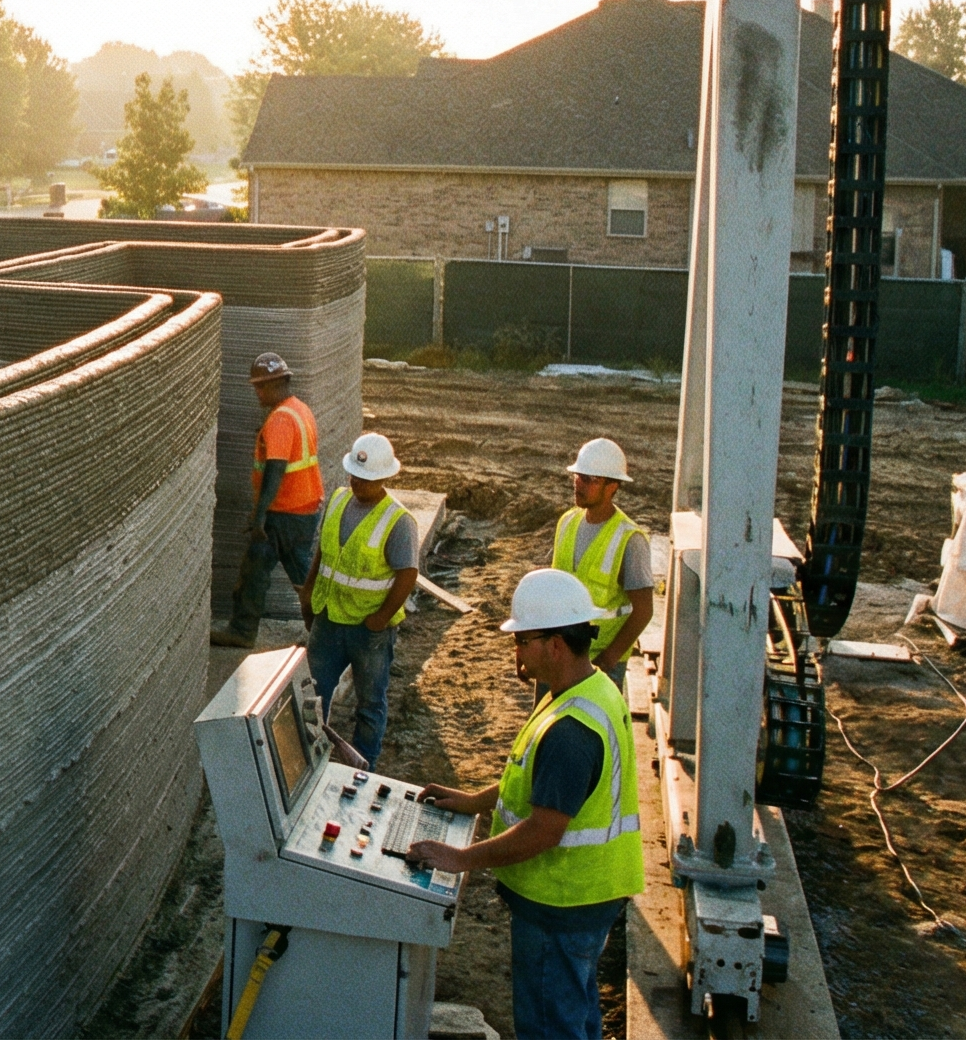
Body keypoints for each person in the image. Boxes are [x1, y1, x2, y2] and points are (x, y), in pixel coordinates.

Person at [407, 569, 644, 1040]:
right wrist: (477, 802)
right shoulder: (585, 692)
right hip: (589, 895)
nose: (515, 651)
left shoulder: (572, 730)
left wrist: (461, 858)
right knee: (575, 1011)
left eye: (522, 641)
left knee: (549, 1025)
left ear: (555, 645)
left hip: (562, 901)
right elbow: (540, 782)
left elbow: (543, 830)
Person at [302, 432, 419, 762]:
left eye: (366, 479)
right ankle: (311, 759)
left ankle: (362, 764)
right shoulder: (338, 501)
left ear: (384, 477)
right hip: (328, 617)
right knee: (313, 693)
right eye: (354, 474)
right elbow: (323, 553)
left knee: (369, 703)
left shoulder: (397, 521)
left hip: (368, 629)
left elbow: (407, 574)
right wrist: (309, 593)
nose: (357, 482)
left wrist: (380, 618)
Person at [214, 352, 323, 648]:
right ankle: (323, 632)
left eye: (261, 387)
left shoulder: (280, 420)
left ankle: (242, 631)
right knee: (299, 575)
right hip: (303, 508)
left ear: (278, 384)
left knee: (258, 573)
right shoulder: (301, 410)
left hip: (282, 513)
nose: (257, 393)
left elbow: (275, 468)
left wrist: (259, 514)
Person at [551, 438, 652, 682]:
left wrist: (608, 660)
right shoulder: (567, 522)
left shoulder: (629, 539)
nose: (579, 484)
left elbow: (644, 610)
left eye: (590, 479)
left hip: (599, 662)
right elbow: (553, 589)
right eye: (577, 477)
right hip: (558, 654)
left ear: (612, 486)